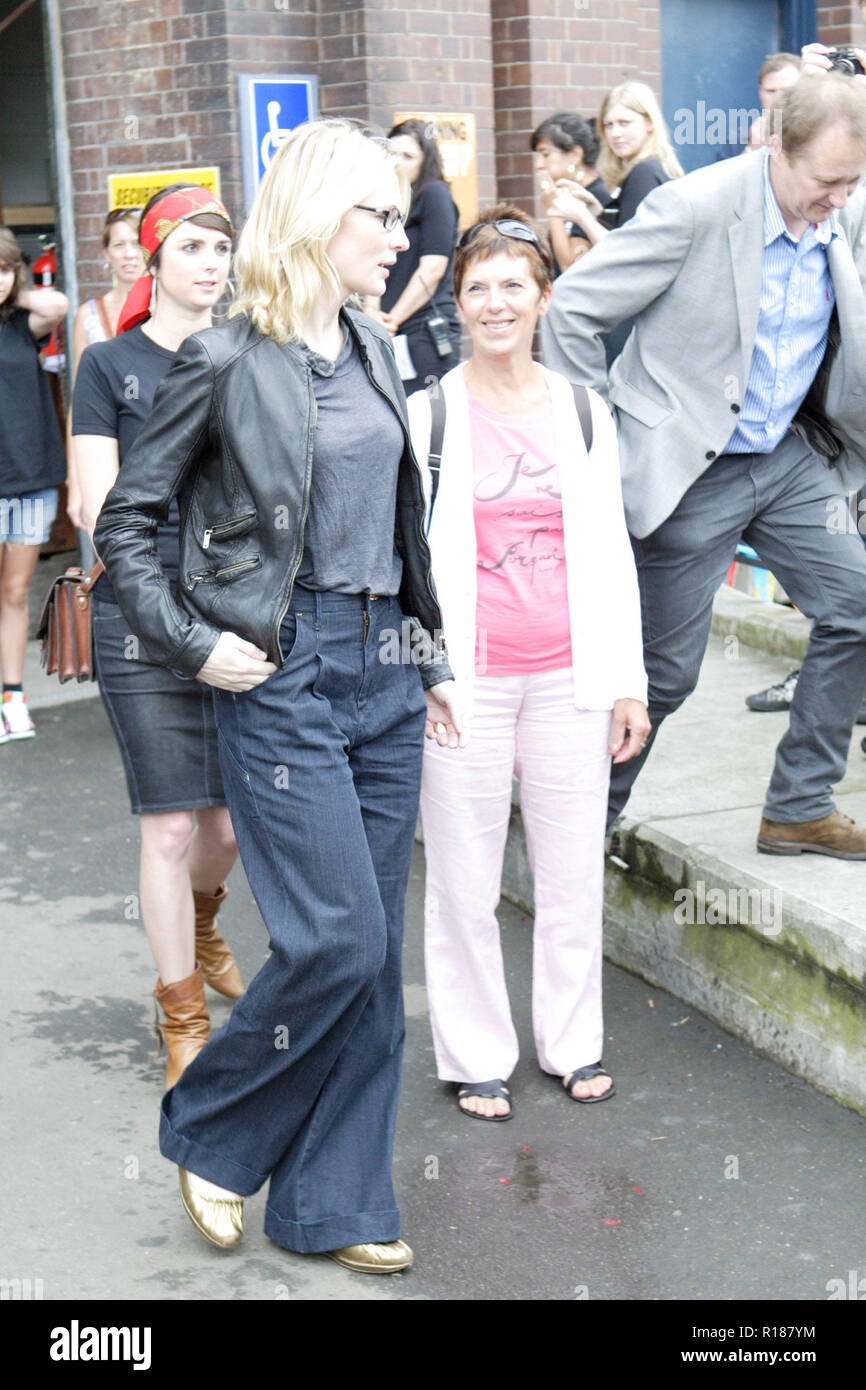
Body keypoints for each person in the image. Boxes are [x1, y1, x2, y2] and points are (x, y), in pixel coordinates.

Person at [93, 119, 463, 1273]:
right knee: (338, 940)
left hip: (384, 669)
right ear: (318, 219)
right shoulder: (225, 356)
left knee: (373, 956)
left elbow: (398, 519)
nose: (401, 242)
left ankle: (333, 1201)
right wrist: (197, 645)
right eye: (383, 218)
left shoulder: (372, 343)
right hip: (282, 664)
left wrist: (429, 650)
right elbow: (127, 525)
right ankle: (213, 1129)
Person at [542, 73, 866, 861]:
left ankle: (798, 804)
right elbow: (575, 314)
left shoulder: (842, 214)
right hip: (691, 466)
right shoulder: (695, 207)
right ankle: (579, 828)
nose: (838, 199)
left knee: (858, 606)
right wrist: (600, 443)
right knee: (662, 674)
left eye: (853, 183)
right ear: (776, 148)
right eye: (827, 182)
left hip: (788, 456)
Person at [407, 207, 648, 1117]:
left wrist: (628, 681)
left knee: (571, 875)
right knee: (463, 883)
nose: (496, 302)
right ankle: (474, 1055)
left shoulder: (585, 410)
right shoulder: (429, 415)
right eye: (478, 288)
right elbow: (409, 566)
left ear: (545, 298)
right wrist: (424, 673)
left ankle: (572, 1043)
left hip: (571, 680)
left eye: (515, 285)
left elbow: (614, 555)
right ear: (458, 305)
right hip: (463, 686)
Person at [74, 185, 244, 1089]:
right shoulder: (109, 365)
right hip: (140, 619)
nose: (210, 264)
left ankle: (204, 921)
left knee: (228, 824)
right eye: (191, 248)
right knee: (172, 822)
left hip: (236, 613)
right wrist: (163, 602)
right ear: (153, 261)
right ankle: (182, 1013)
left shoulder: (251, 354)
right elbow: (97, 509)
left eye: (221, 248)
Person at [0, 226, 68, 742]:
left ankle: (13, 698)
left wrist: (14, 285)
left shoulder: (24, 321)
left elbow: (61, 304)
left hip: (27, 478)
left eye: (4, 268)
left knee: (15, 592)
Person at [67, 208, 144, 563]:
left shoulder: (169, 312)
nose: (129, 253)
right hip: (101, 456)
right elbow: (79, 404)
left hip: (149, 452)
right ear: (106, 254)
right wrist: (75, 482)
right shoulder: (89, 316)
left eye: (137, 243)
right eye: (119, 244)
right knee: (113, 562)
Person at [364, 117, 461, 394]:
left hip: (423, 330)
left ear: (425, 161)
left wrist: (392, 319)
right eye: (392, 154)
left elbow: (433, 268)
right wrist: (372, 311)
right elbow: (375, 254)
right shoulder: (386, 201)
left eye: (407, 156)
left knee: (425, 418)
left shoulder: (434, 194)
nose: (397, 163)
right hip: (386, 328)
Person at [531, 112, 608, 271]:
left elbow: (569, 266)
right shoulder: (575, 194)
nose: (539, 164)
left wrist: (553, 210)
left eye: (545, 154)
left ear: (575, 155)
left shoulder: (595, 196)